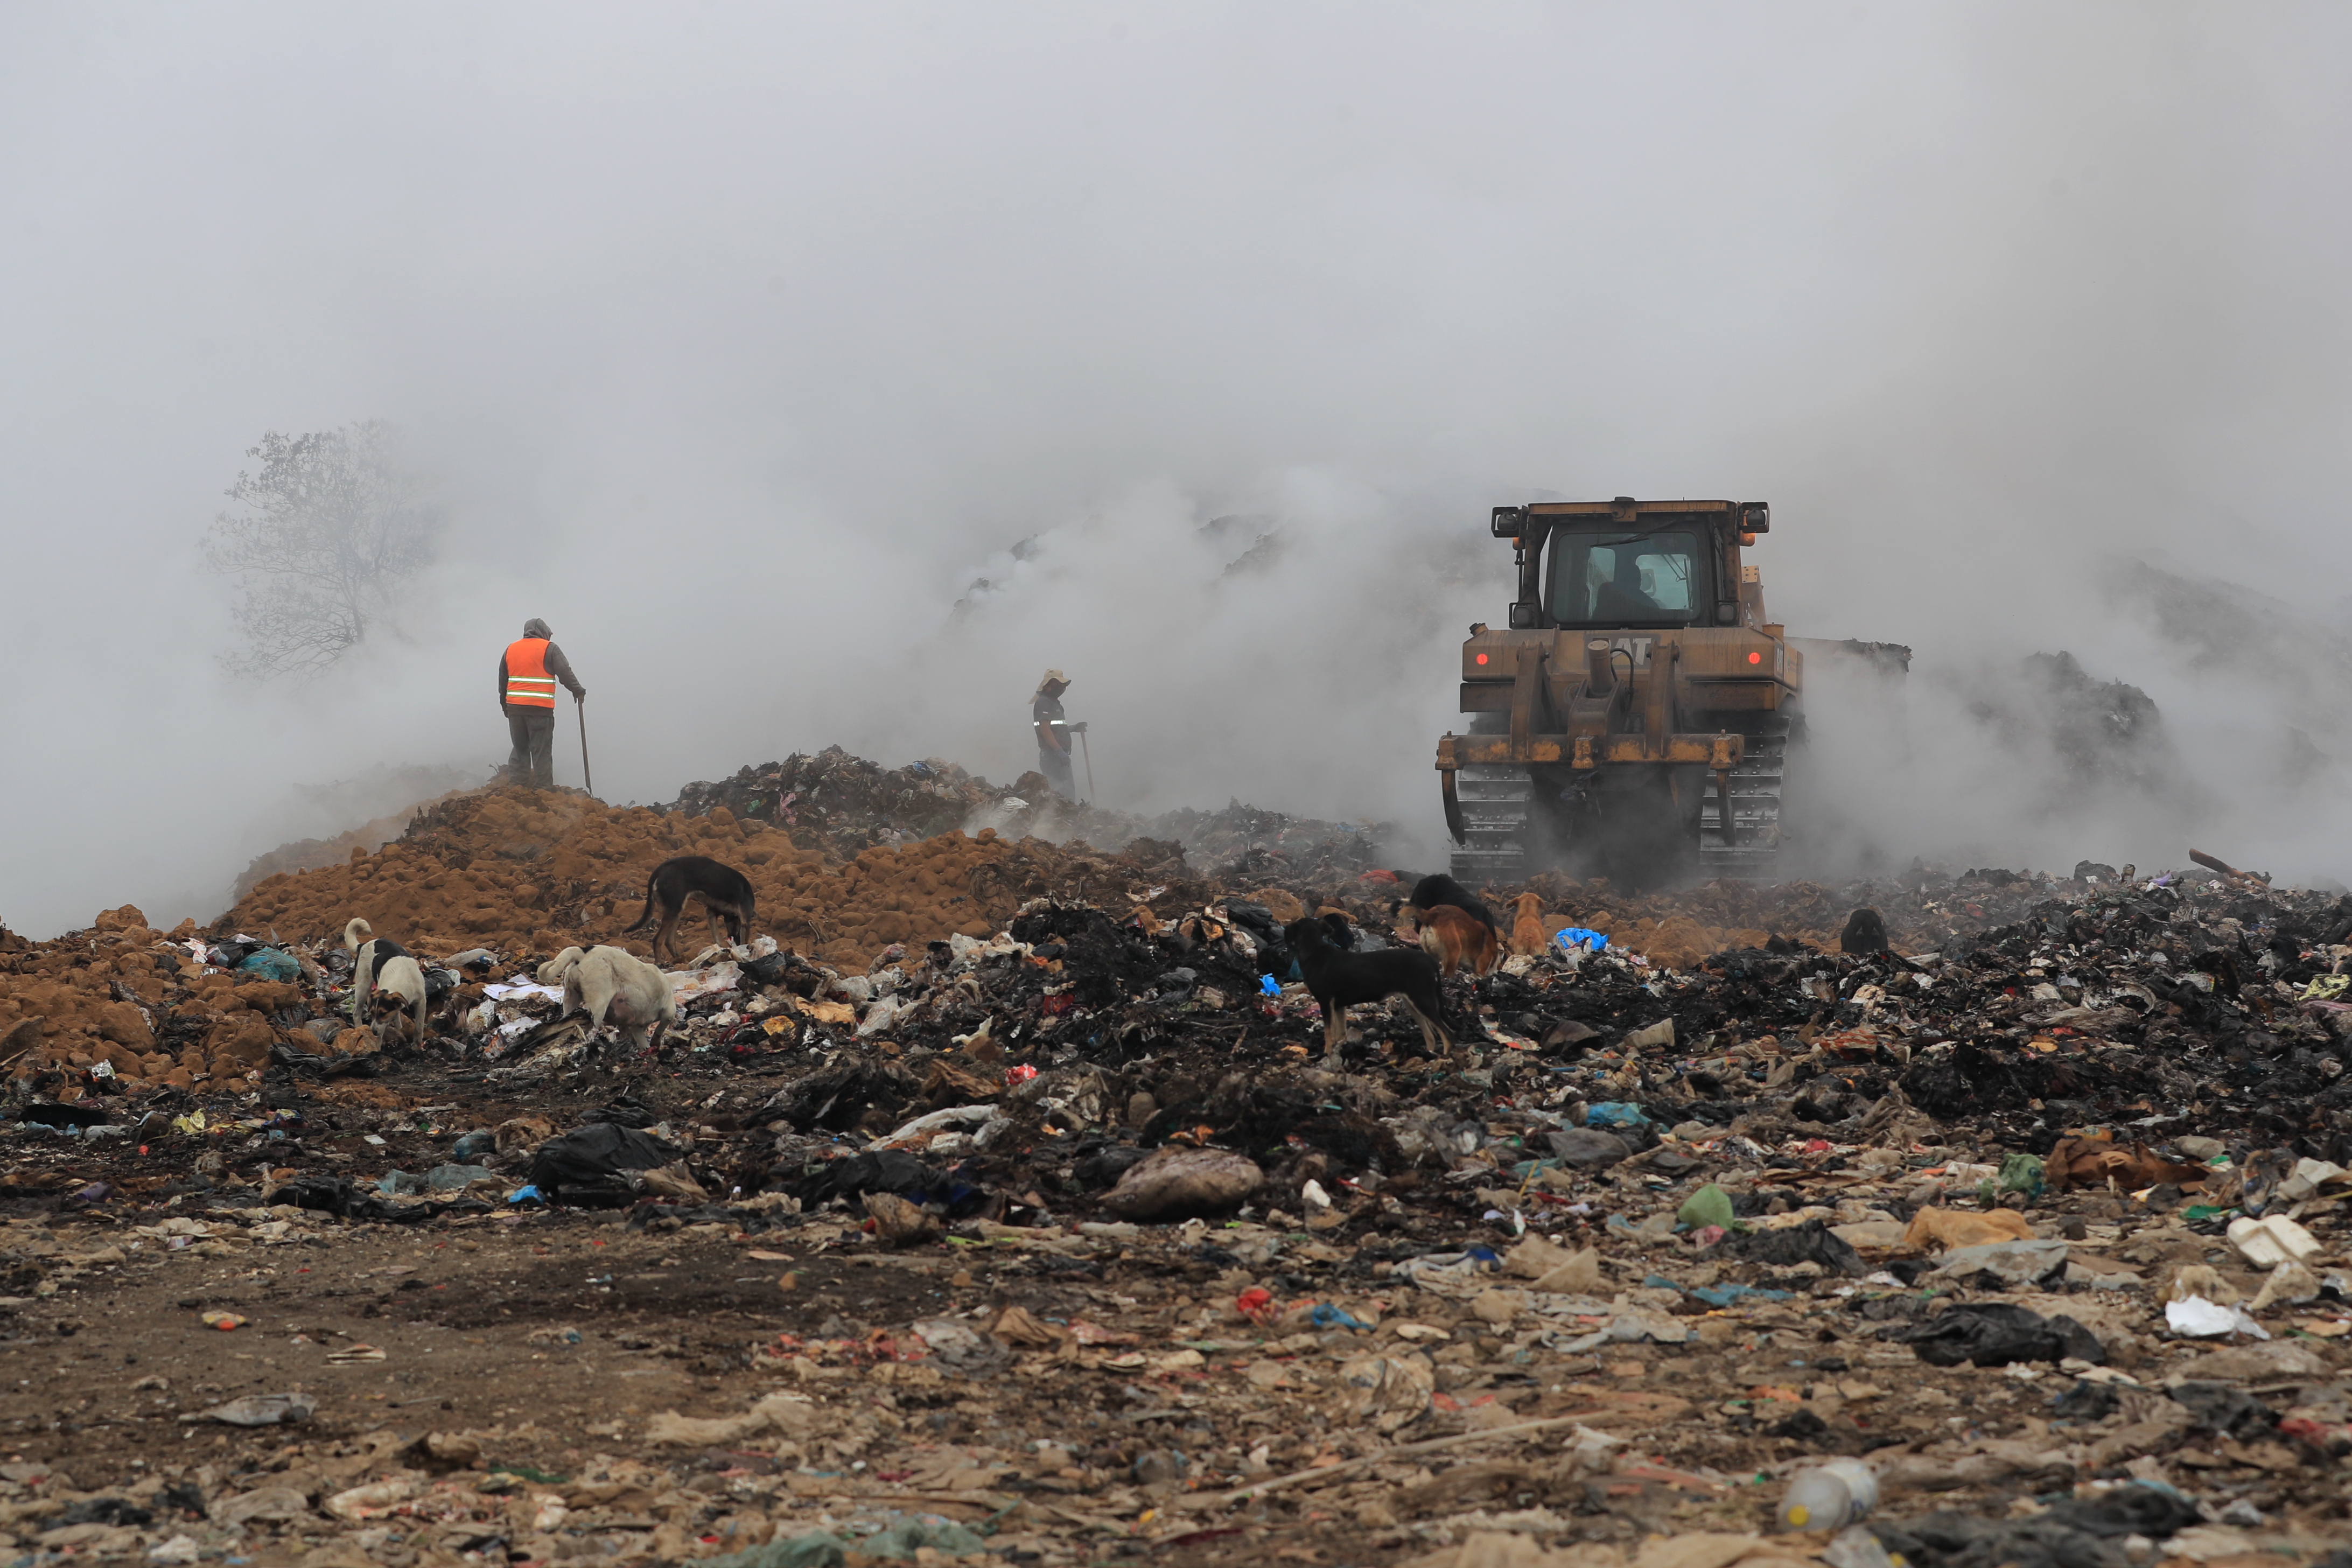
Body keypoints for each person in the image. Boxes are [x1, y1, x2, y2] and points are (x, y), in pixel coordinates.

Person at [499, 618, 586, 790]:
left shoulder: (511, 649)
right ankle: (543, 790)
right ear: (543, 632)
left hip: (515, 709)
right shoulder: (550, 648)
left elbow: (503, 681)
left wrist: (505, 707)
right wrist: (578, 691)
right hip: (540, 709)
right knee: (541, 750)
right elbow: (565, 673)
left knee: (520, 748)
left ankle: (517, 787)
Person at [1031, 669, 1086, 801]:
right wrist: (1059, 751)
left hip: (1057, 755)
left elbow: (1055, 728)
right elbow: (1045, 730)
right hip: (1053, 756)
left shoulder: (1053, 703)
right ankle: (1057, 820)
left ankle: (1063, 819)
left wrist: (1074, 728)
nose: (1061, 688)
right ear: (1048, 686)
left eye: (1063, 685)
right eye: (1058, 684)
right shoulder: (1044, 702)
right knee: (1062, 793)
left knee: (1066, 792)